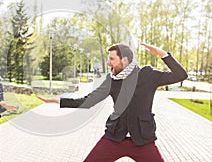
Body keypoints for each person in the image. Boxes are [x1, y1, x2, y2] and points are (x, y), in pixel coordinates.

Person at [37, 42, 188, 162]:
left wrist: (162, 54)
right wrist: (59, 101)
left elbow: (181, 75)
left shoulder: (147, 75)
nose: (108, 63)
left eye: (111, 59)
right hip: (115, 137)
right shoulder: (111, 80)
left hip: (142, 140)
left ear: (124, 60)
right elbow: (88, 101)